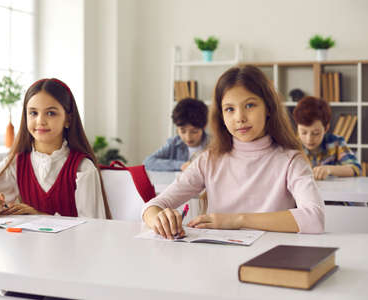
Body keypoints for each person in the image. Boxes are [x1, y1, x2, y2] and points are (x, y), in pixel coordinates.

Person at [141, 65, 325, 239]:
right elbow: (152, 206)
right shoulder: (209, 160)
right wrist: (159, 219)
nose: (240, 118)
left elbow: (314, 218)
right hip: (218, 262)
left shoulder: (291, 161)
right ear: (222, 115)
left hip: (271, 263)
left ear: (268, 108)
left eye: (250, 105)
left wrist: (237, 220)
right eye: (230, 109)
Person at [0, 78, 110, 219]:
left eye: (50, 113)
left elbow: (93, 227)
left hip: (73, 250)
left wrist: (38, 215)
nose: (40, 121)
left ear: (68, 119)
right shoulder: (17, 163)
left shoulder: (82, 168)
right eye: (33, 113)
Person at [292, 96, 361, 180]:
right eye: (303, 132)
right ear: (297, 127)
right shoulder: (292, 146)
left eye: (315, 133)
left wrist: (330, 169)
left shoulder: (336, 142)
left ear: (326, 128)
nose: (309, 139)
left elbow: (356, 168)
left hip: (331, 192)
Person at [143, 98, 209, 171]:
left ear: (204, 127)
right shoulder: (174, 143)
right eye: (183, 131)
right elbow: (148, 162)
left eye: (194, 131)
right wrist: (181, 165)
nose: (188, 137)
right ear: (177, 128)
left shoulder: (214, 144)